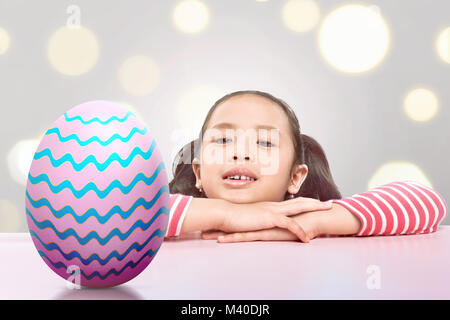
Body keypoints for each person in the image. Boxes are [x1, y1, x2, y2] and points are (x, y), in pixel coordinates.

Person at [165, 90, 448, 243]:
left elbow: (428, 203)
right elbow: (125, 210)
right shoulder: (167, 227)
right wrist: (225, 215)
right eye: (224, 139)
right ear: (199, 173)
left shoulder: (314, 226)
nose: (241, 153)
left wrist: (309, 223)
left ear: (295, 177)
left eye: (264, 143)